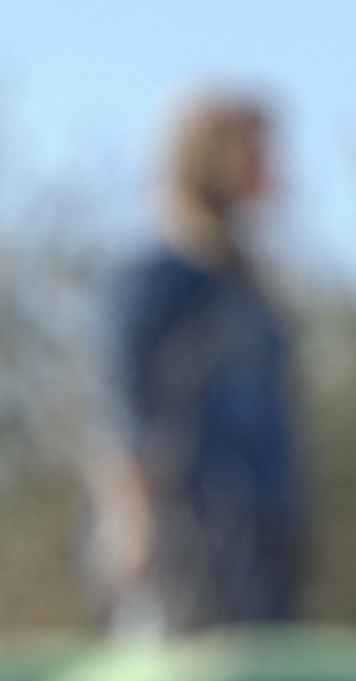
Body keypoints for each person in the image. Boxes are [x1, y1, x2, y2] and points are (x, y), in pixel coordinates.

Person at [96, 90, 304, 633]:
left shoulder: (250, 289)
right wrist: (133, 521)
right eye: (256, 151)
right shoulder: (155, 278)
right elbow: (123, 407)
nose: (270, 167)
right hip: (187, 537)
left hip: (264, 536)